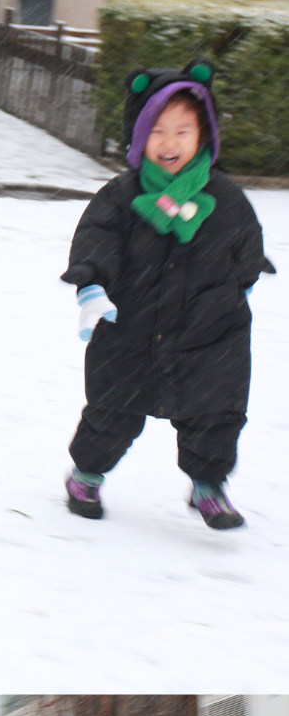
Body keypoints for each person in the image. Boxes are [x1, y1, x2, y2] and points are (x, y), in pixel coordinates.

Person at [63, 61, 275, 532]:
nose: (170, 142)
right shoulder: (120, 197)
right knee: (112, 411)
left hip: (209, 335)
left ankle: (209, 486)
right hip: (130, 328)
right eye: (157, 131)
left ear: (204, 135)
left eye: (183, 130)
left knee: (214, 413)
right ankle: (87, 473)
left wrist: (229, 296)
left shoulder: (227, 199)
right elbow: (96, 240)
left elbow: (246, 252)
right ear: (139, 138)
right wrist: (91, 285)